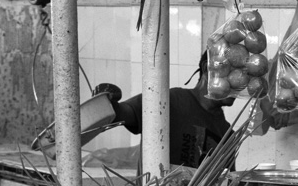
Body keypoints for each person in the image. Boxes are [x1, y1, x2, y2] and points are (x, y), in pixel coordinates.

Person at [95, 52, 235, 169]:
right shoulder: (171, 101)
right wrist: (106, 101)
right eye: (233, 73)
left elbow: (229, 185)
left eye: (244, 77)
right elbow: (119, 114)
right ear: (207, 68)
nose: (238, 82)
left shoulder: (228, 133)